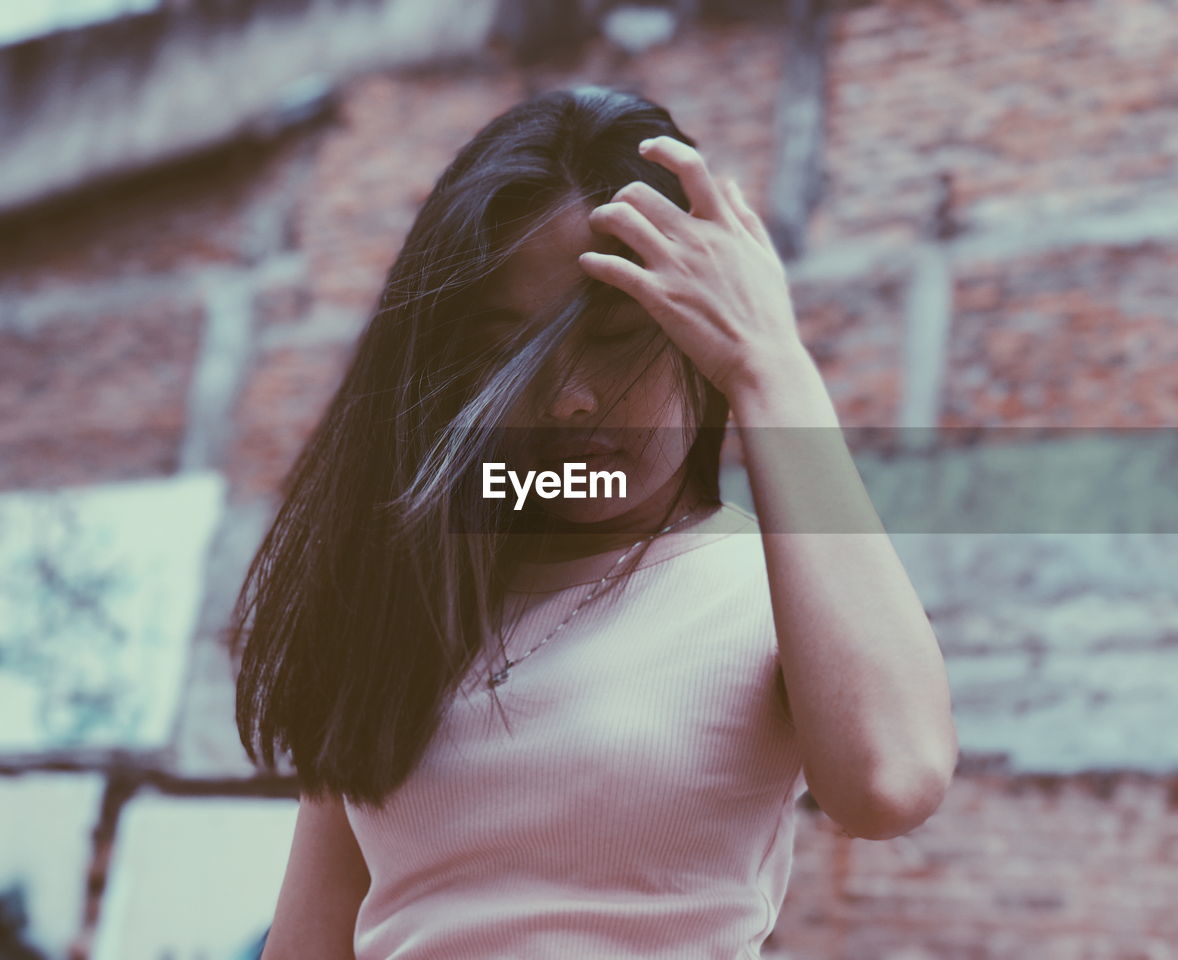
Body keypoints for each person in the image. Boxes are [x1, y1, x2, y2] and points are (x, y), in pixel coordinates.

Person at [232, 85, 957, 960]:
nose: (568, 400)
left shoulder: (775, 582)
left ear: (698, 330)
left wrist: (772, 362)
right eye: (508, 348)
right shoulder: (411, 590)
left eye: (616, 333)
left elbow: (892, 780)